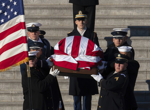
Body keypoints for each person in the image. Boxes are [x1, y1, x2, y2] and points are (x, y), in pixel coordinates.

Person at [68, 10, 99, 110]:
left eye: (83, 20)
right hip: (75, 68)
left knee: (87, 97)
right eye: (78, 20)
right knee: (76, 97)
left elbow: (96, 51)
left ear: (86, 21)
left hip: (87, 69)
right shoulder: (70, 35)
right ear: (75, 22)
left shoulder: (92, 34)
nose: (81, 22)